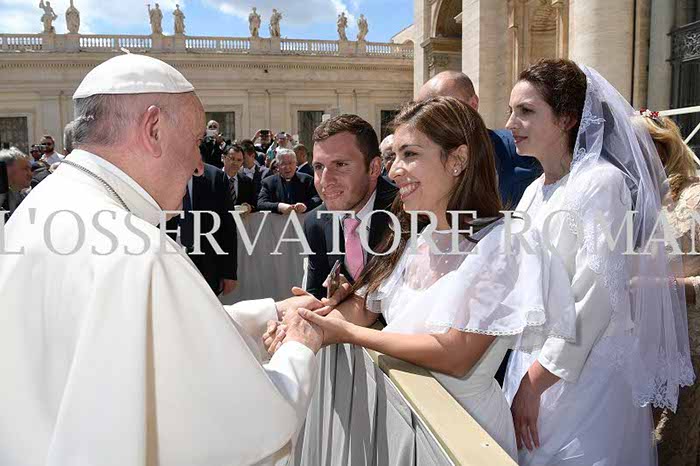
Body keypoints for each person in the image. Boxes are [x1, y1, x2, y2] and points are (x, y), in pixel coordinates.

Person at [0, 53, 326, 466]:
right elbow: (246, 428)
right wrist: (298, 348)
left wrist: (271, 312)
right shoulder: (139, 250)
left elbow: (155, 334)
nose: (198, 165)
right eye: (194, 141)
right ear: (153, 129)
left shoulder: (44, 203)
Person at [267, 97, 575, 460]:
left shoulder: (506, 242)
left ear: (458, 159)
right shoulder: (416, 236)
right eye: (395, 156)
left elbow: (457, 353)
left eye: (410, 154)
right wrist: (306, 324)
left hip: (461, 433)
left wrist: (345, 333)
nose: (395, 170)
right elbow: (365, 306)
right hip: (403, 421)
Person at [503, 59, 692, 465]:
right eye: (511, 111)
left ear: (567, 118)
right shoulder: (533, 191)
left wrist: (535, 383)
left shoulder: (601, 183)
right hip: (531, 360)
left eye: (526, 111)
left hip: (585, 378)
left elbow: (596, 296)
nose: (511, 123)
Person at [637, 113, 700, 465]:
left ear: (663, 149)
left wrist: (675, 288)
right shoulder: (629, 198)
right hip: (638, 350)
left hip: (690, 352)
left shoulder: (696, 196)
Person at [302, 114, 398, 299]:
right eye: (319, 167)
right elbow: (316, 295)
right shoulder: (315, 223)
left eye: (340, 164)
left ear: (374, 168)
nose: (325, 180)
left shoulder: (408, 212)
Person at [417, 71, 542, 207]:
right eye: (423, 112)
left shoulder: (521, 148)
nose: (431, 120)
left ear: (473, 104)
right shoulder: (418, 163)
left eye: (443, 109)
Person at [165, 162, 239, 296]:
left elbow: (228, 227)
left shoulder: (216, 177)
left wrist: (229, 272)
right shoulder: (159, 172)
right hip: (168, 262)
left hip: (207, 266)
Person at [258, 149, 320, 214]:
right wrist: (278, 206)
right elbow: (261, 203)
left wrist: (305, 206)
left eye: (290, 163)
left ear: (296, 164)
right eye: (283, 164)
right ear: (277, 166)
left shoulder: (307, 180)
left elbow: (317, 198)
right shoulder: (268, 182)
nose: (287, 167)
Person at [222, 144, 256, 210]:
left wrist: (249, 207)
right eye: (232, 159)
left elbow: (254, 204)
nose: (235, 163)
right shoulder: (213, 179)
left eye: (239, 160)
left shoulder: (247, 181)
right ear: (223, 158)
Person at [0, 147, 32, 216]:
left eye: (30, 169)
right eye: (25, 169)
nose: (30, 174)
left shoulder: (19, 196)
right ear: (6, 169)